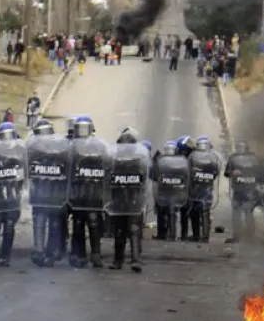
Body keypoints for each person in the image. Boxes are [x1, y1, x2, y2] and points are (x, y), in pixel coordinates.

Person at [26, 118, 71, 266]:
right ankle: (50, 251)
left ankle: (42, 250)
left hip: (44, 191)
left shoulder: (34, 148)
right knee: (52, 222)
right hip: (52, 191)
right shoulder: (61, 146)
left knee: (42, 221)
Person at [66, 116, 108, 268]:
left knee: (90, 223)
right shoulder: (71, 146)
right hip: (80, 192)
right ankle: (82, 254)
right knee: (82, 224)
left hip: (90, 191)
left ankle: (92, 255)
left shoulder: (98, 146)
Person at [106, 128, 150, 272]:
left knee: (131, 230)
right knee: (123, 231)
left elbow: (144, 181)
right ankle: (121, 260)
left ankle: (134, 260)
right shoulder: (113, 161)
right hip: (121, 200)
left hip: (131, 200)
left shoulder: (138, 162)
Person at [0, 122, 27, 265]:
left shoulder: (21, 150)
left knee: (7, 224)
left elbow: (25, 174)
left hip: (12, 192)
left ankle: (4, 255)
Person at [224, 140, 262, 243]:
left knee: (240, 213)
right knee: (246, 213)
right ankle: (248, 237)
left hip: (242, 190)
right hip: (245, 190)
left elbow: (226, 173)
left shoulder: (234, 158)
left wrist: (232, 173)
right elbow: (260, 175)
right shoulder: (254, 159)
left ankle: (241, 236)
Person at [153, 141, 191, 241]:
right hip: (175, 190)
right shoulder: (181, 161)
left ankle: (164, 234)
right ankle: (173, 234)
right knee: (173, 211)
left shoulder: (162, 160)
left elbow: (153, 175)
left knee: (164, 211)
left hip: (165, 191)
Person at [188, 136, 219, 242]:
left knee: (194, 211)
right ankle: (205, 237)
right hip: (207, 189)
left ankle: (196, 235)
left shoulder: (193, 155)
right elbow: (216, 172)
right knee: (205, 211)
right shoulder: (213, 157)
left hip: (195, 189)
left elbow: (187, 171)